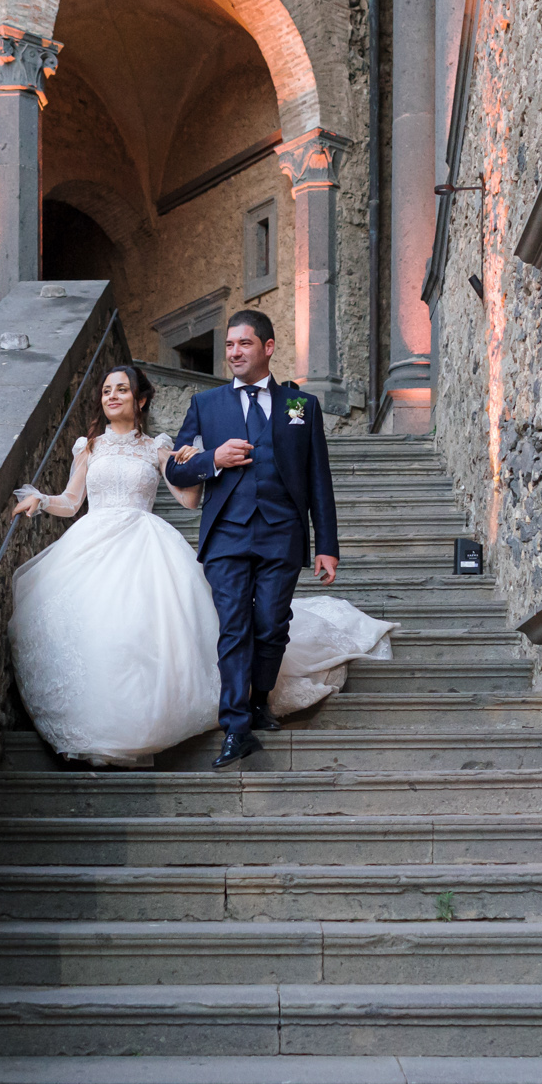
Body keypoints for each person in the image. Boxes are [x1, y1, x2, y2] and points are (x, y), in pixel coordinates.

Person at [9, 362, 391, 766]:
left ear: (140, 400)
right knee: (97, 631)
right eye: (106, 391)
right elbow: (72, 502)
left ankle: (148, 717)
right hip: (92, 542)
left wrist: (197, 461)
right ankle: (98, 719)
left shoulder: (157, 447)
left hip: (143, 541)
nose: (112, 396)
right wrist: (41, 501)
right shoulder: (88, 447)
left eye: (121, 389)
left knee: (137, 632)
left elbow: (189, 500)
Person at [164, 310, 351, 768]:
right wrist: (213, 458)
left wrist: (326, 545)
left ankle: (259, 698)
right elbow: (174, 468)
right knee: (234, 627)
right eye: (229, 345)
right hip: (226, 533)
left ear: (267, 347)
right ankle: (236, 727)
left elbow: (318, 478)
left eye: (244, 344)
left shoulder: (300, 406)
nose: (234, 353)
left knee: (270, 625)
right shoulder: (206, 404)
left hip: (282, 531)